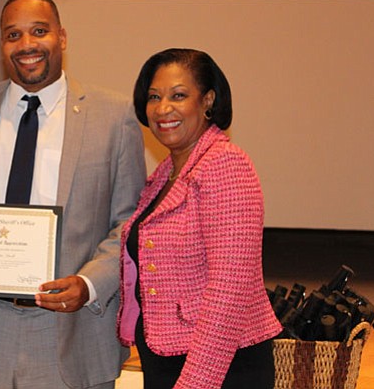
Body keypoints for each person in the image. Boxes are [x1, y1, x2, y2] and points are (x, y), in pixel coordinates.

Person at [0, 0, 146, 388]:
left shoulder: (114, 116)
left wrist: (90, 284)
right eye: (13, 35)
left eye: (39, 31)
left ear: (62, 37)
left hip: (71, 330)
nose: (27, 45)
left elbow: (130, 222)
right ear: (1, 44)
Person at [117, 48, 282, 389]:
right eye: (153, 96)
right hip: (166, 358)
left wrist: (196, 382)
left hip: (220, 367)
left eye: (178, 95)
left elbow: (229, 291)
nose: (163, 109)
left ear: (208, 101)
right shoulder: (167, 173)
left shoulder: (225, 164)